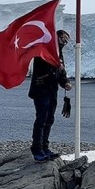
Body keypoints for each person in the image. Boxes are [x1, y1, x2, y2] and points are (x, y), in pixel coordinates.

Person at [28, 29, 72, 162]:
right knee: (41, 119)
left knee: (49, 119)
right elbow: (44, 70)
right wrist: (55, 69)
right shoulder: (43, 50)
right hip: (41, 91)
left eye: (66, 41)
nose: (65, 42)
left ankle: (45, 147)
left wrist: (65, 83)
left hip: (52, 91)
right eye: (63, 39)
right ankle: (37, 149)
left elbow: (60, 73)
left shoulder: (59, 53)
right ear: (57, 37)